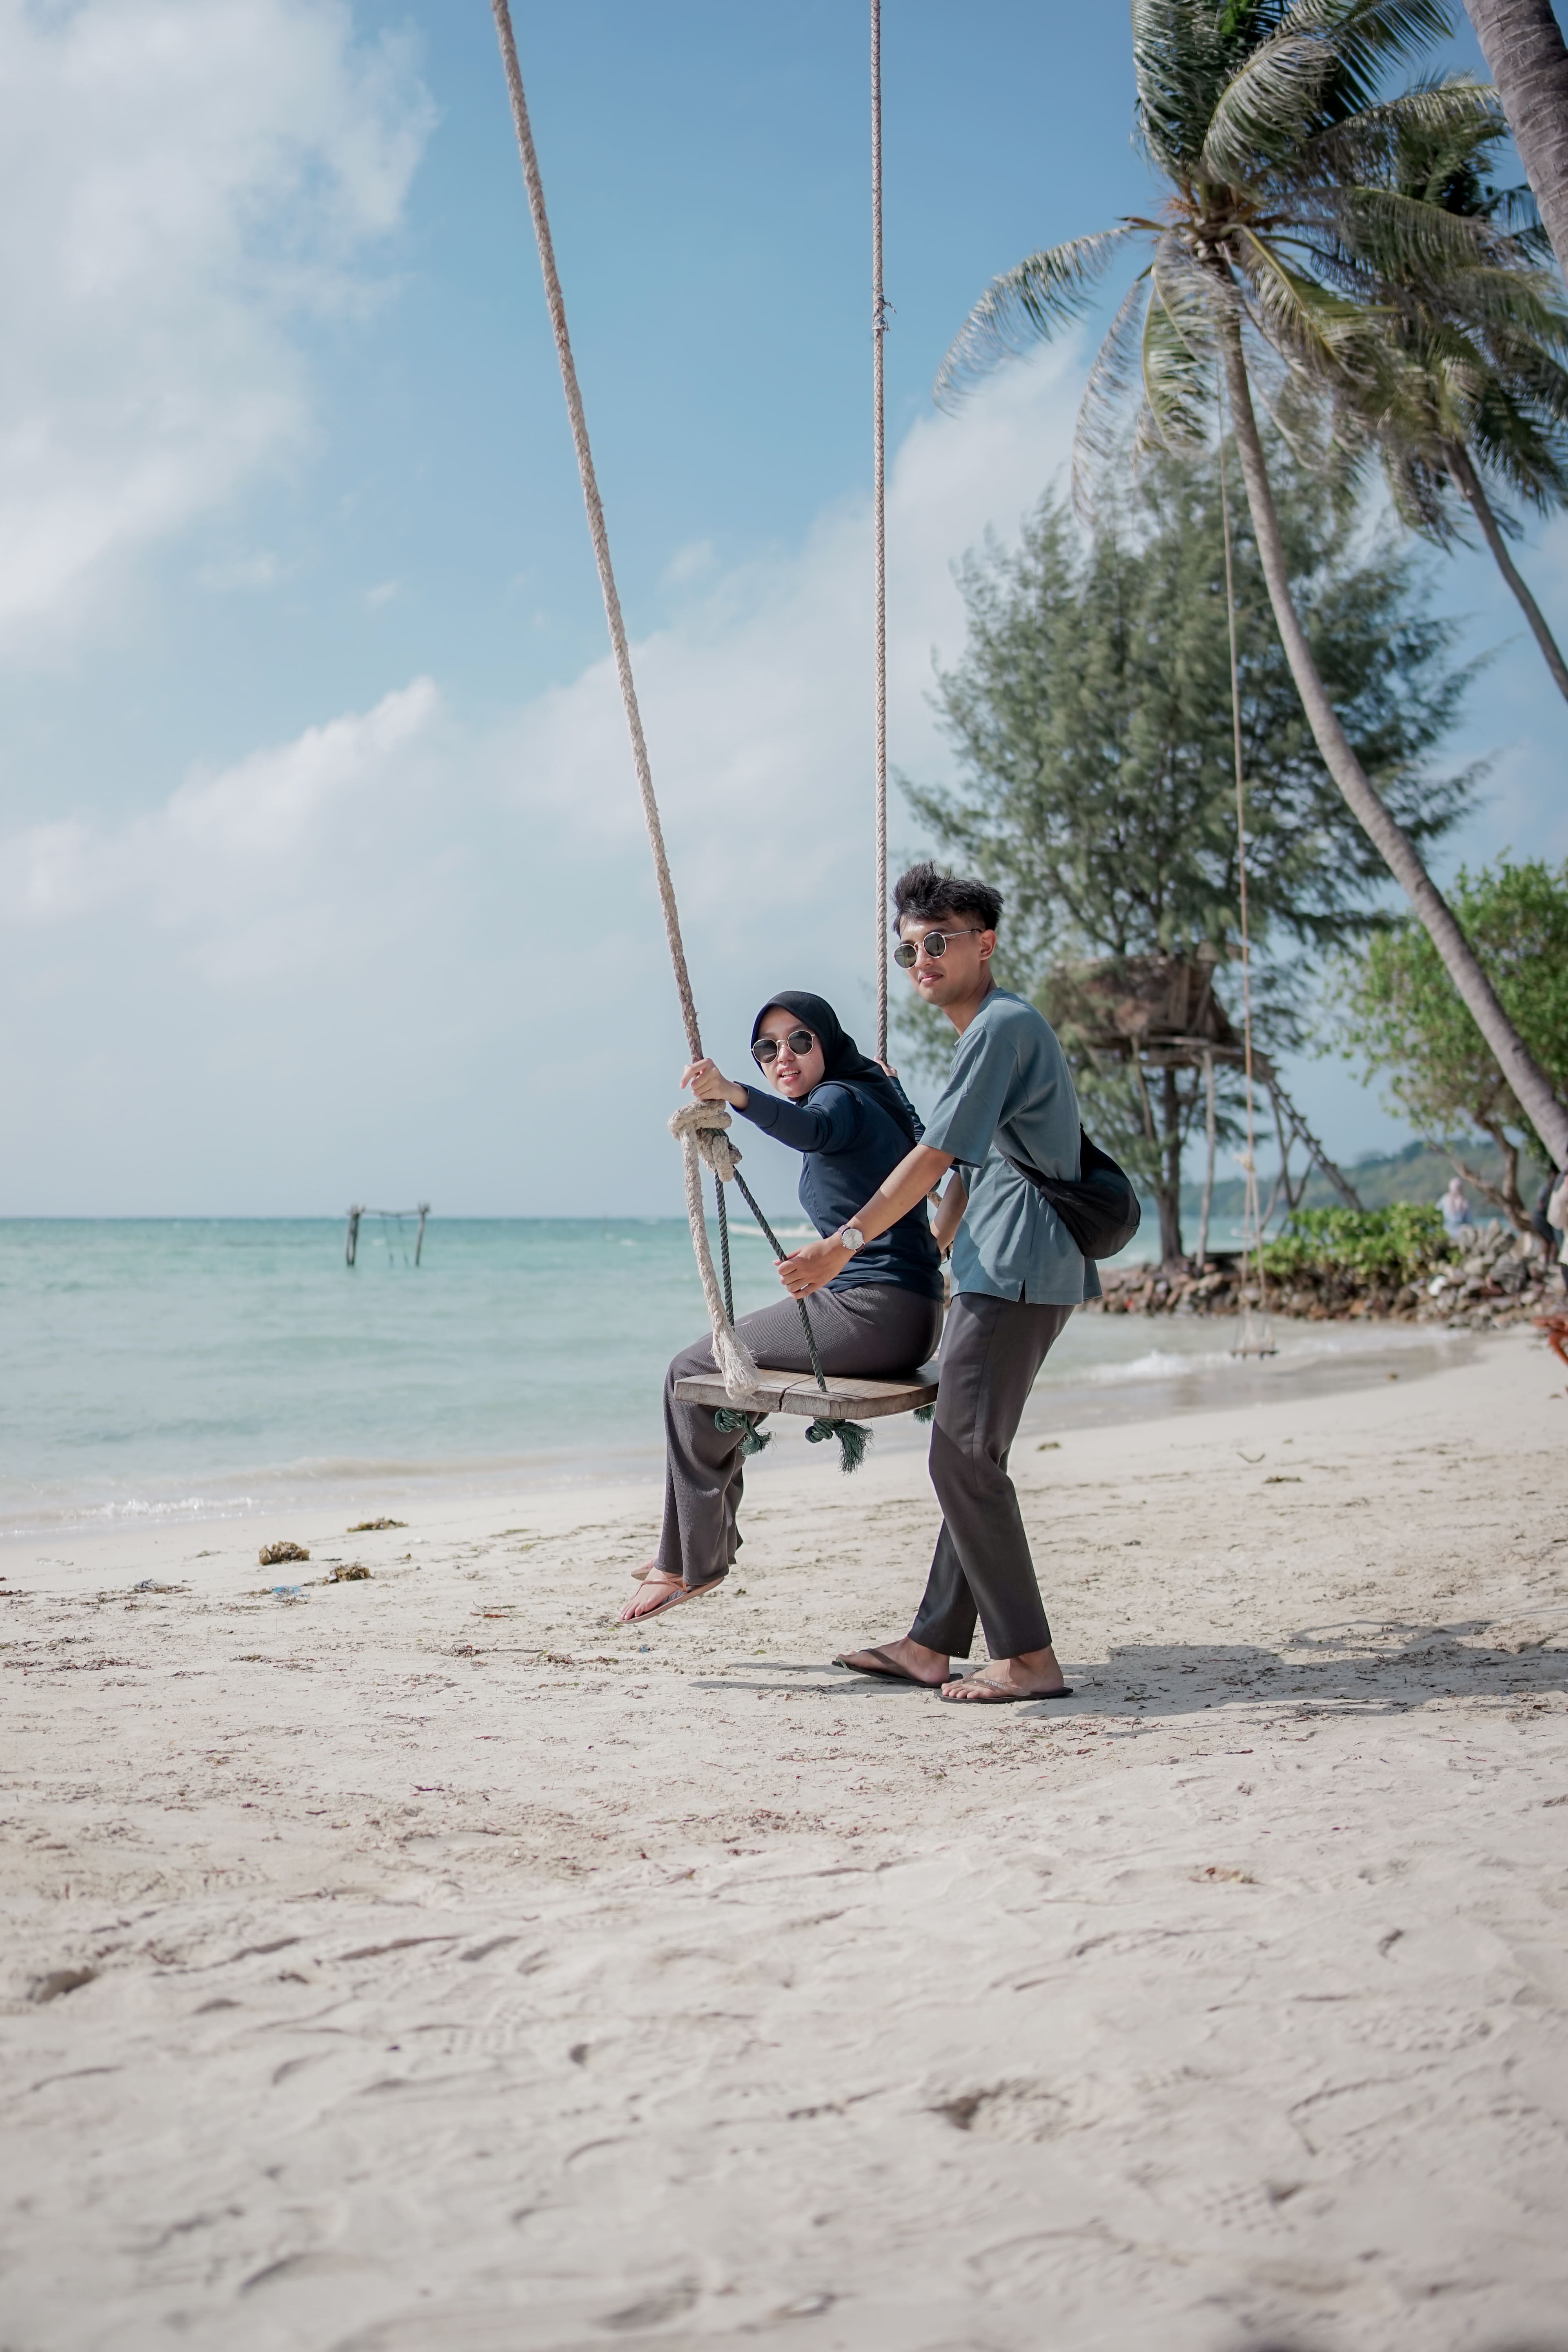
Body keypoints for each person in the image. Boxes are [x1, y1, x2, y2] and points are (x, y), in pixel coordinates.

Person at [780, 862, 1098, 1704]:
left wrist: (845, 1244)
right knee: (972, 1458)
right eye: (908, 950)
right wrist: (936, 1242)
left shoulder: (1000, 1027)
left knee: (960, 1460)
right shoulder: (990, 1030)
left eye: (937, 943)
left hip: (1017, 1267)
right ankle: (930, 1645)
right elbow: (966, 1170)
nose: (920, 961)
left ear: (983, 945)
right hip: (1008, 1263)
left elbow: (930, 1157)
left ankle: (1028, 1659)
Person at [620, 991, 946, 1623]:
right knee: (714, 1374)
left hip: (877, 1312)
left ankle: (688, 1561)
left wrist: (734, 1094)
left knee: (691, 1371)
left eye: (799, 1041)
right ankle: (695, 1543)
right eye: (766, 1050)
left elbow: (813, 1129)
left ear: (827, 1041)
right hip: (901, 1312)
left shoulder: (841, 1100)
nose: (783, 1058)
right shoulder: (870, 1093)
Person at [1440, 1174, 1475, 1243]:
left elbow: (1469, 1220)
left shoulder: (1464, 1202)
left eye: (1459, 1187)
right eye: (1457, 1187)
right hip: (1447, 1229)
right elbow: (1437, 1212)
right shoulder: (1446, 1199)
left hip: (1460, 1231)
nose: (1458, 1189)